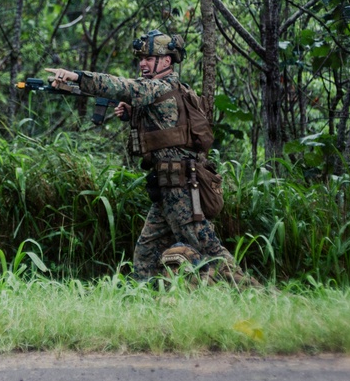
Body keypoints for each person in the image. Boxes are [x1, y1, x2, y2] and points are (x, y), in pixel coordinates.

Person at [46, 29, 244, 284]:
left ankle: (249, 290)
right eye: (141, 58)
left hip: (181, 187)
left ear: (167, 61)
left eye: (149, 58)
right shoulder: (172, 89)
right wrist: (134, 114)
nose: (143, 63)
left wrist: (77, 76)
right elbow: (168, 128)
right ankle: (145, 296)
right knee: (146, 252)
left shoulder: (160, 86)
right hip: (167, 186)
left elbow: (120, 86)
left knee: (208, 248)